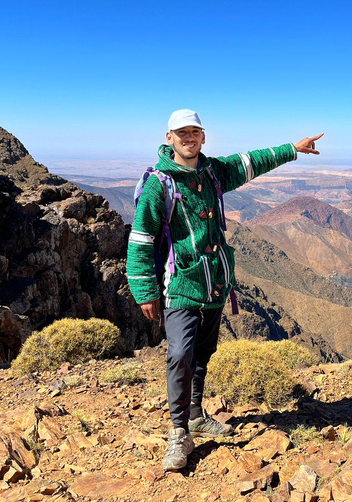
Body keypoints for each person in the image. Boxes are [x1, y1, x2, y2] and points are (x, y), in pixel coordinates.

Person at [126, 109, 323, 471]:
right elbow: (141, 239)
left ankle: (197, 414)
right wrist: (145, 291)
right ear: (169, 138)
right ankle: (179, 431)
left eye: (194, 132)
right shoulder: (160, 183)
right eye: (181, 133)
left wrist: (294, 149)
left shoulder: (214, 171)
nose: (189, 138)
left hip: (215, 281)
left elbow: (252, 161)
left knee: (204, 351)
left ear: (203, 137)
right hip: (180, 286)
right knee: (179, 354)